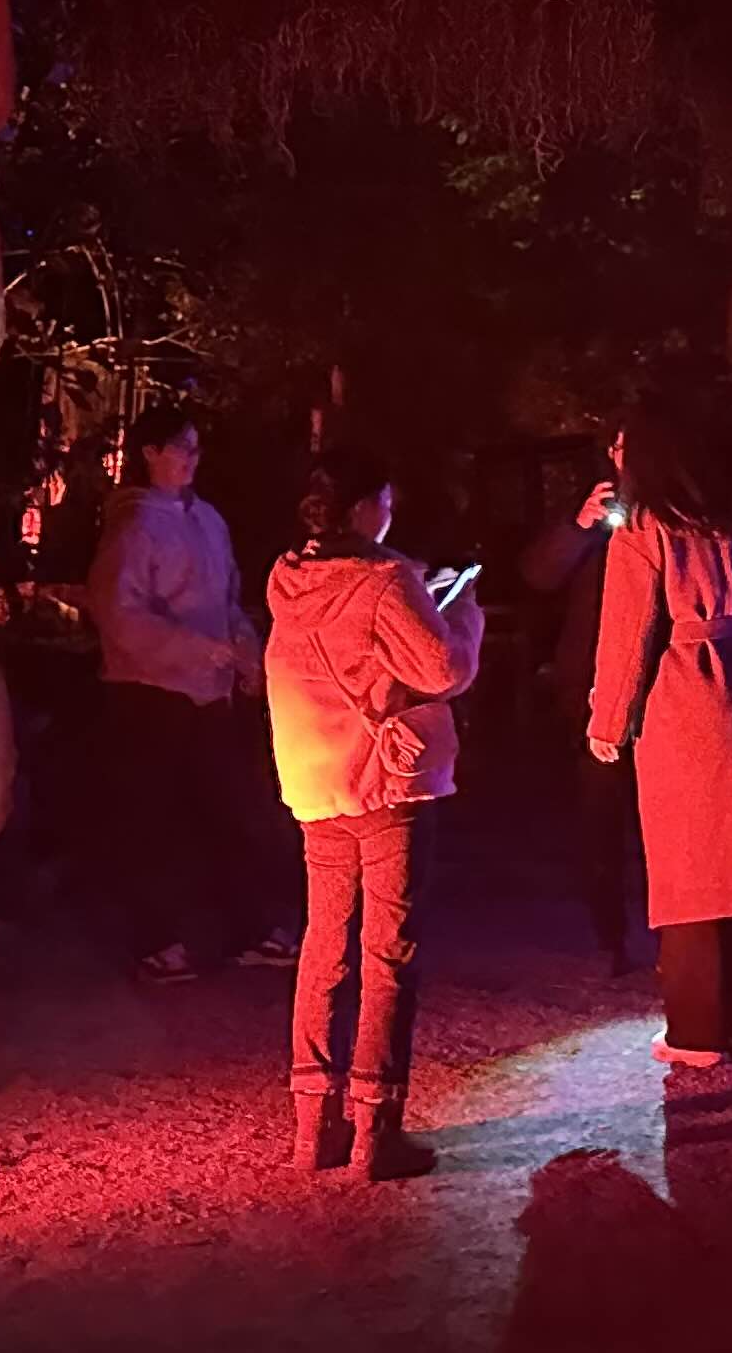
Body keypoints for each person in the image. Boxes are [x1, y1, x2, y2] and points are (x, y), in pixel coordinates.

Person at [266, 447, 485, 1179]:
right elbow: (442, 668)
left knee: (324, 942)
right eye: (385, 502)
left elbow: (350, 631)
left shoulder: (287, 576)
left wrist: (416, 585)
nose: (390, 514)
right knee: (388, 950)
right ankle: (374, 1131)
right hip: (385, 780)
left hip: (315, 780)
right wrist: (464, 611)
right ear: (364, 507)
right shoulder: (385, 580)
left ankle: (313, 1128)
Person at [583, 394, 732, 1067]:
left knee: (688, 866)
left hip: (682, 691)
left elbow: (627, 632)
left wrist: (608, 721)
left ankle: (696, 1029)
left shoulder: (644, 527)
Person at [81, 406, 294, 984]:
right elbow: (120, 615)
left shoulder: (208, 520)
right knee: (157, 819)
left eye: (196, 448)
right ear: (149, 453)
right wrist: (201, 650)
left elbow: (227, 598)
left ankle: (248, 928)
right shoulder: (133, 525)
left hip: (208, 694)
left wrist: (243, 649)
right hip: (150, 694)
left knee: (231, 810)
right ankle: (161, 940)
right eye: (181, 447)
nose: (193, 459)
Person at [520, 488, 641, 974]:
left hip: (659, 686)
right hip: (591, 692)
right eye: (615, 452)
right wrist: (578, 527)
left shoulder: (673, 506)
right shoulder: (590, 516)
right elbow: (538, 574)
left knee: (662, 827)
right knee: (601, 822)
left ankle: (675, 938)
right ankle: (610, 937)